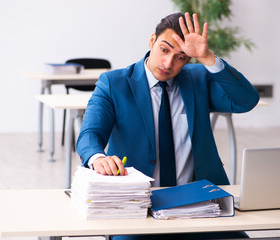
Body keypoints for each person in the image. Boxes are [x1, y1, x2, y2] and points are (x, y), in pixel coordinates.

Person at [77, 12, 259, 239]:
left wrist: (208, 57)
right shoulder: (115, 83)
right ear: (152, 40)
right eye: (164, 50)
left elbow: (246, 101)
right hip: (139, 207)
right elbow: (89, 134)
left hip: (200, 204)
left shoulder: (198, 78)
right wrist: (97, 158)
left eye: (181, 57)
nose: (168, 63)